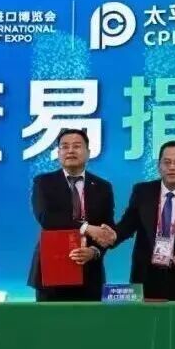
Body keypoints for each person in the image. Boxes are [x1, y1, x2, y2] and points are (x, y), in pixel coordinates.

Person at [109, 141, 175, 301]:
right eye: (167, 162)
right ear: (159, 166)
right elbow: (128, 224)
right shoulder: (142, 191)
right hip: (145, 278)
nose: (172, 167)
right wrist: (112, 235)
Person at [27, 129, 115, 301]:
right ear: (58, 153)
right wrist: (86, 228)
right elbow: (46, 218)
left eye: (77, 146)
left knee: (89, 318)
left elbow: (106, 229)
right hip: (52, 270)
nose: (70, 151)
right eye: (65, 147)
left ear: (88, 152)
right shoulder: (43, 182)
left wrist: (95, 251)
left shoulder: (103, 187)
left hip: (90, 273)